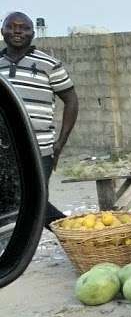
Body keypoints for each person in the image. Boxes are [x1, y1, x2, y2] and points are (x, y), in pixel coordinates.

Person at [0, 12, 79, 225]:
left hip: (39, 149)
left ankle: (73, 233)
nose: (17, 31)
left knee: (32, 200)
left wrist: (60, 143)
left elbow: (71, 101)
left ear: (32, 33)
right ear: (2, 31)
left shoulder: (48, 64)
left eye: (24, 28)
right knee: (13, 202)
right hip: (5, 151)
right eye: (12, 27)